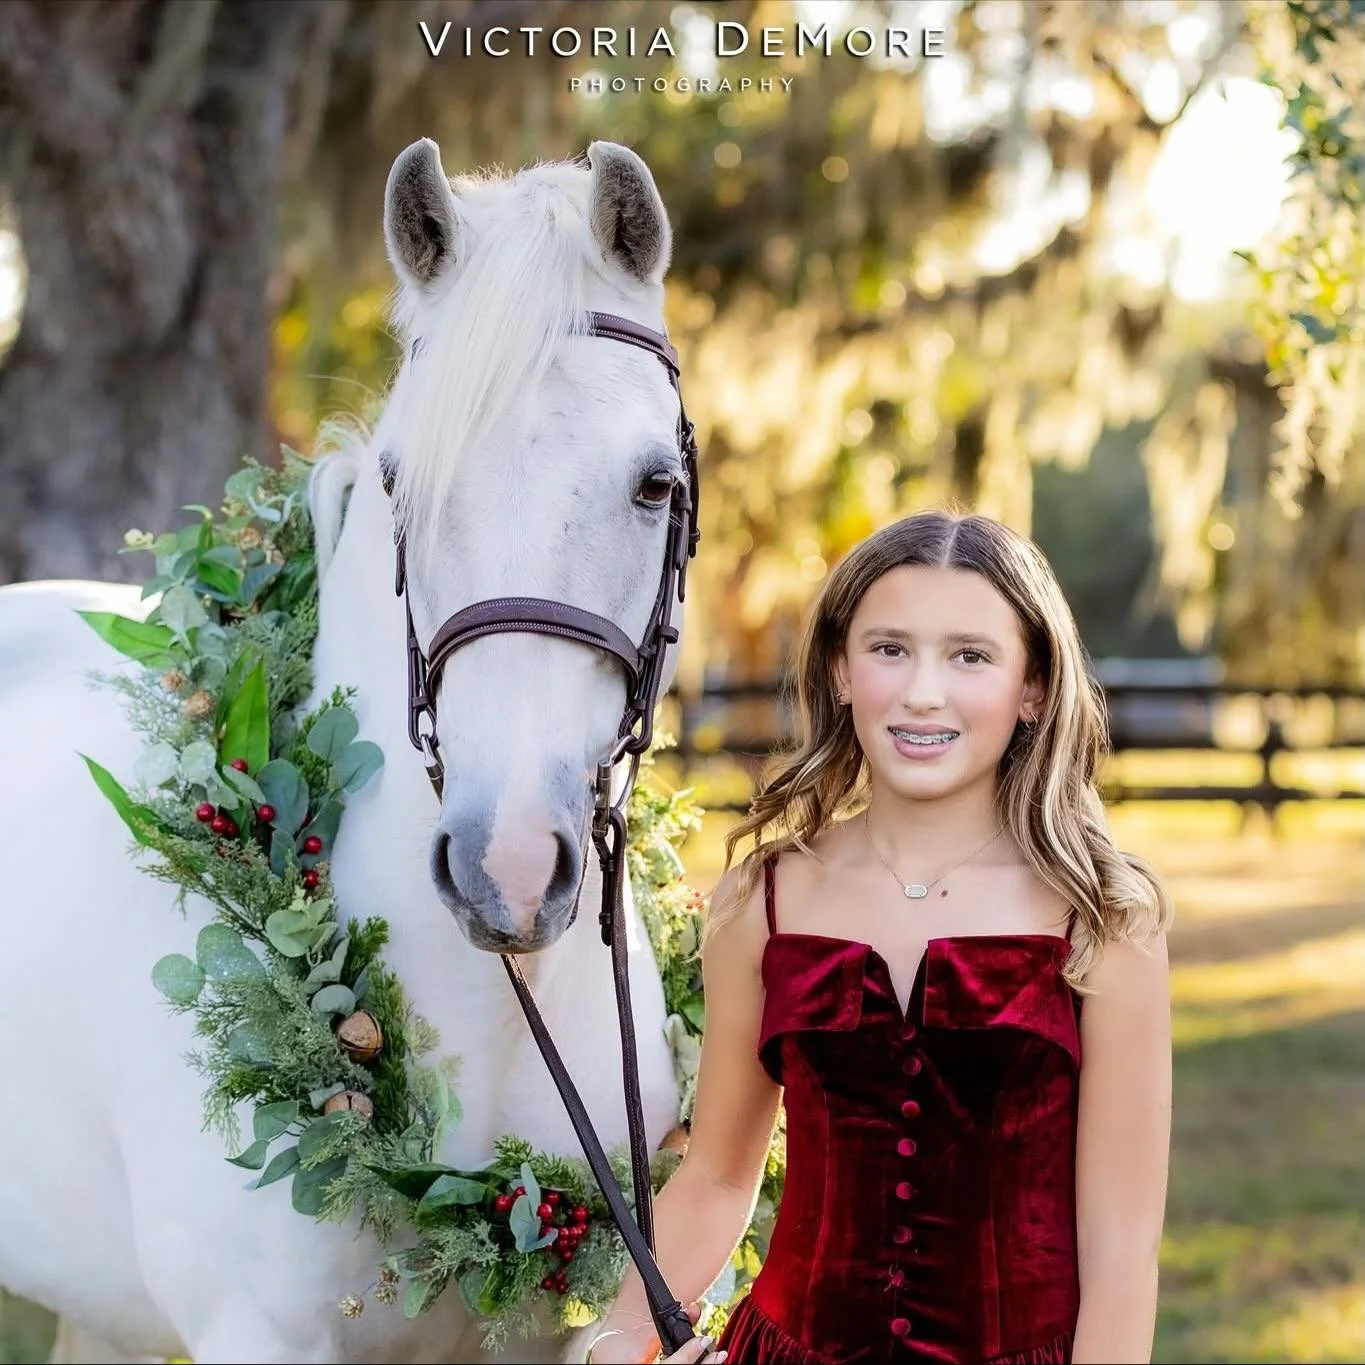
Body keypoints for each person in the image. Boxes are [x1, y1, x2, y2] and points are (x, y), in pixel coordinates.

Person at [587, 511, 1174, 1365]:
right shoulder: (763, 900)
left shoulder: (1101, 916)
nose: (922, 692)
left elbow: (1121, 1252)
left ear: (1033, 687)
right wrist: (615, 1343)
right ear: (840, 669)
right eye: (889, 648)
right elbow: (715, 1177)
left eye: (969, 656)